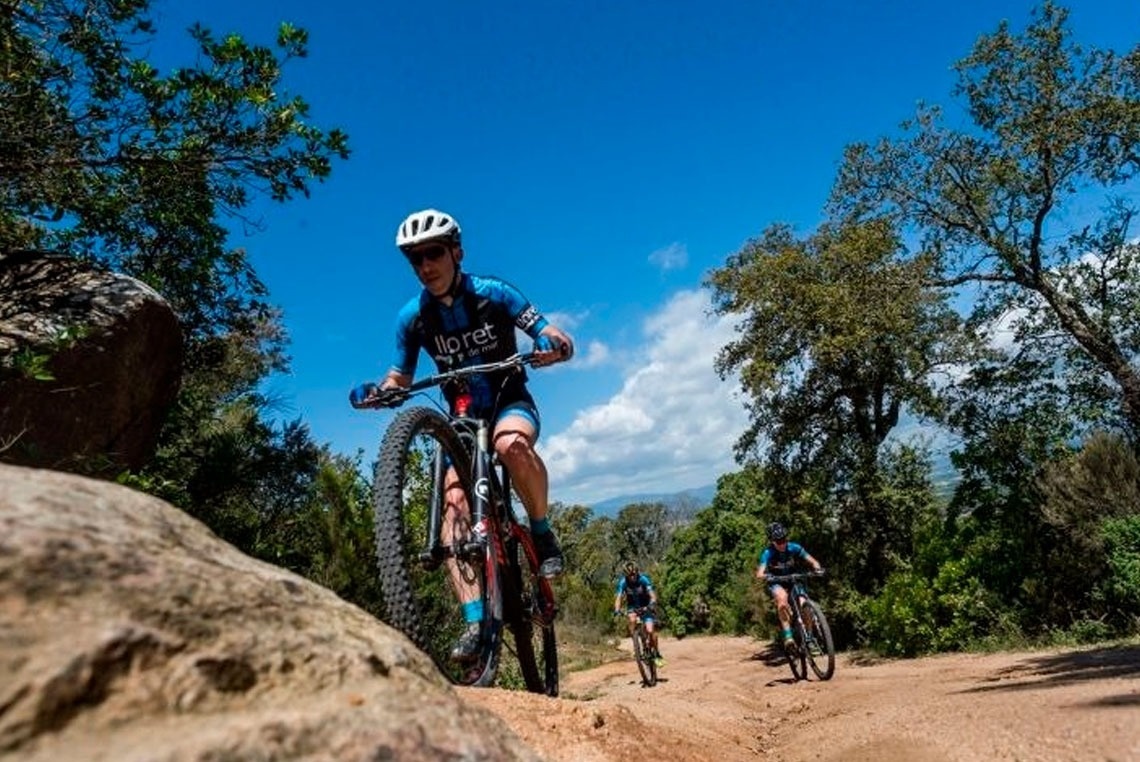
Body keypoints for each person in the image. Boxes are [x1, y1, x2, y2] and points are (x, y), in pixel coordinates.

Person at [351, 208, 574, 662]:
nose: (425, 265)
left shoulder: (495, 294)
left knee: (511, 445)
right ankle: (475, 623)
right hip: (461, 416)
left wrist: (553, 345)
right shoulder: (412, 318)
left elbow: (548, 331)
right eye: (415, 259)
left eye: (433, 253)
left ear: (456, 251)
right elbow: (400, 378)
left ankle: (542, 530)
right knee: (454, 508)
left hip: (508, 400)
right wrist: (381, 392)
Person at [756, 521, 823, 648]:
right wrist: (766, 576)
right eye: (778, 541)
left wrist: (817, 568)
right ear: (772, 541)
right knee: (781, 599)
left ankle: (809, 637)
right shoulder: (768, 553)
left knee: (805, 605)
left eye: (784, 539)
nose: (782, 543)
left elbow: (813, 560)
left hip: (793, 580)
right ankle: (788, 635)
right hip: (777, 581)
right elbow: (759, 573)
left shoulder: (794, 547)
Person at [613, 560, 661, 661]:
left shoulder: (643, 579)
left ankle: (656, 652)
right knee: (632, 620)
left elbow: (652, 595)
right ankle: (636, 644)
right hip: (632, 607)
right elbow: (619, 597)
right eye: (629, 575)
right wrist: (617, 610)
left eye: (634, 574)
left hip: (646, 606)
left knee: (650, 630)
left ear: (637, 572)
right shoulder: (623, 582)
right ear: (626, 575)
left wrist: (652, 603)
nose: (632, 577)